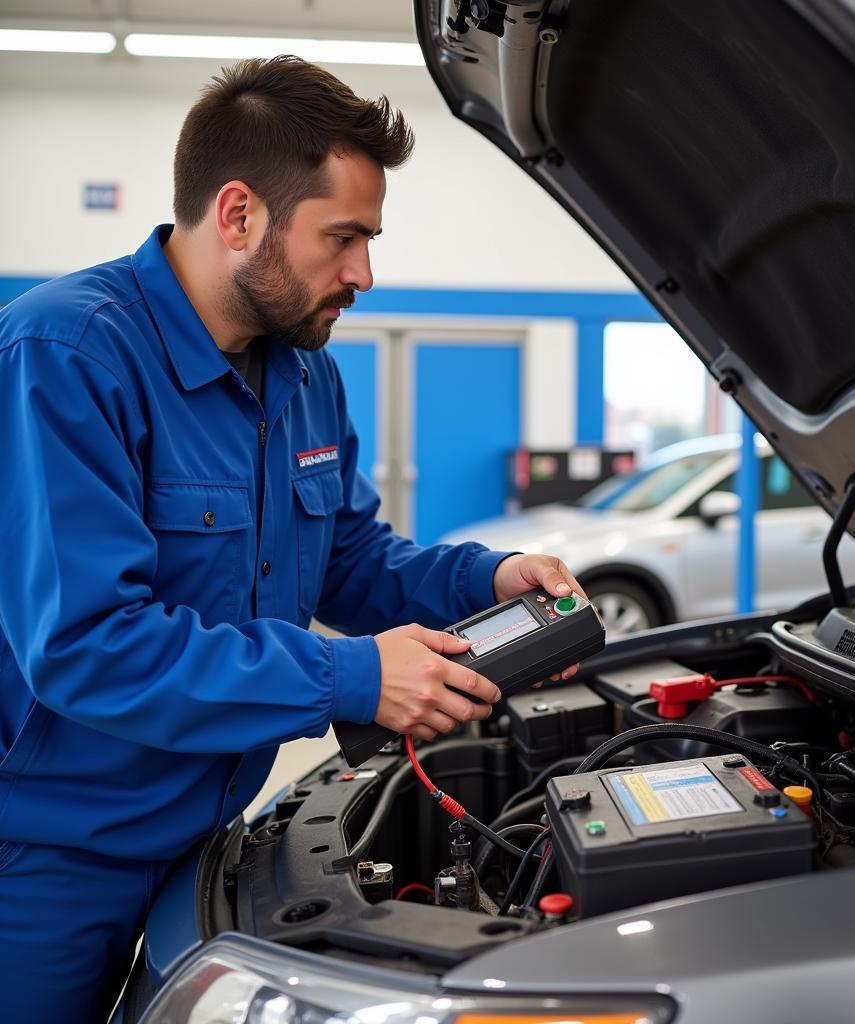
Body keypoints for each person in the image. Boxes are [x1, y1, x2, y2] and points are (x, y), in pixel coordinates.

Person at [0, 55, 583, 1023]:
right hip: (50, 865)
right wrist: (351, 678)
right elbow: (88, 646)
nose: (362, 273)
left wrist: (489, 575)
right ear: (238, 215)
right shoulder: (62, 360)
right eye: (343, 238)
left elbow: (352, 562)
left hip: (206, 847)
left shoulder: (305, 376)